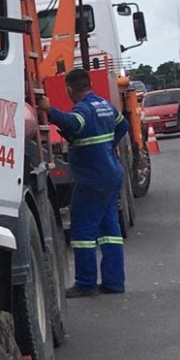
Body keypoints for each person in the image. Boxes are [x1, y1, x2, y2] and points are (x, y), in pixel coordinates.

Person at [38, 68, 129, 297]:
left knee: (82, 231)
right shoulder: (104, 105)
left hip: (92, 178)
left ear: (70, 89)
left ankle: (86, 283)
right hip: (111, 174)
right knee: (110, 230)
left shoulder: (84, 109)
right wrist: (108, 146)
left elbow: (73, 122)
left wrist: (49, 110)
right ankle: (114, 282)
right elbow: (123, 125)